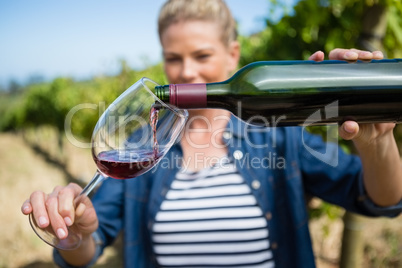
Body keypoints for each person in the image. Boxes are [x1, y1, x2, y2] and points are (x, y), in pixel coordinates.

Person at [22, 0, 402, 267]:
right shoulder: (140, 148)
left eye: (201, 55)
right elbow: (89, 245)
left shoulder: (278, 135)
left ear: (233, 55)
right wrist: (72, 234)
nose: (186, 72)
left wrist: (378, 142)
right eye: (173, 57)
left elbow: (378, 200)